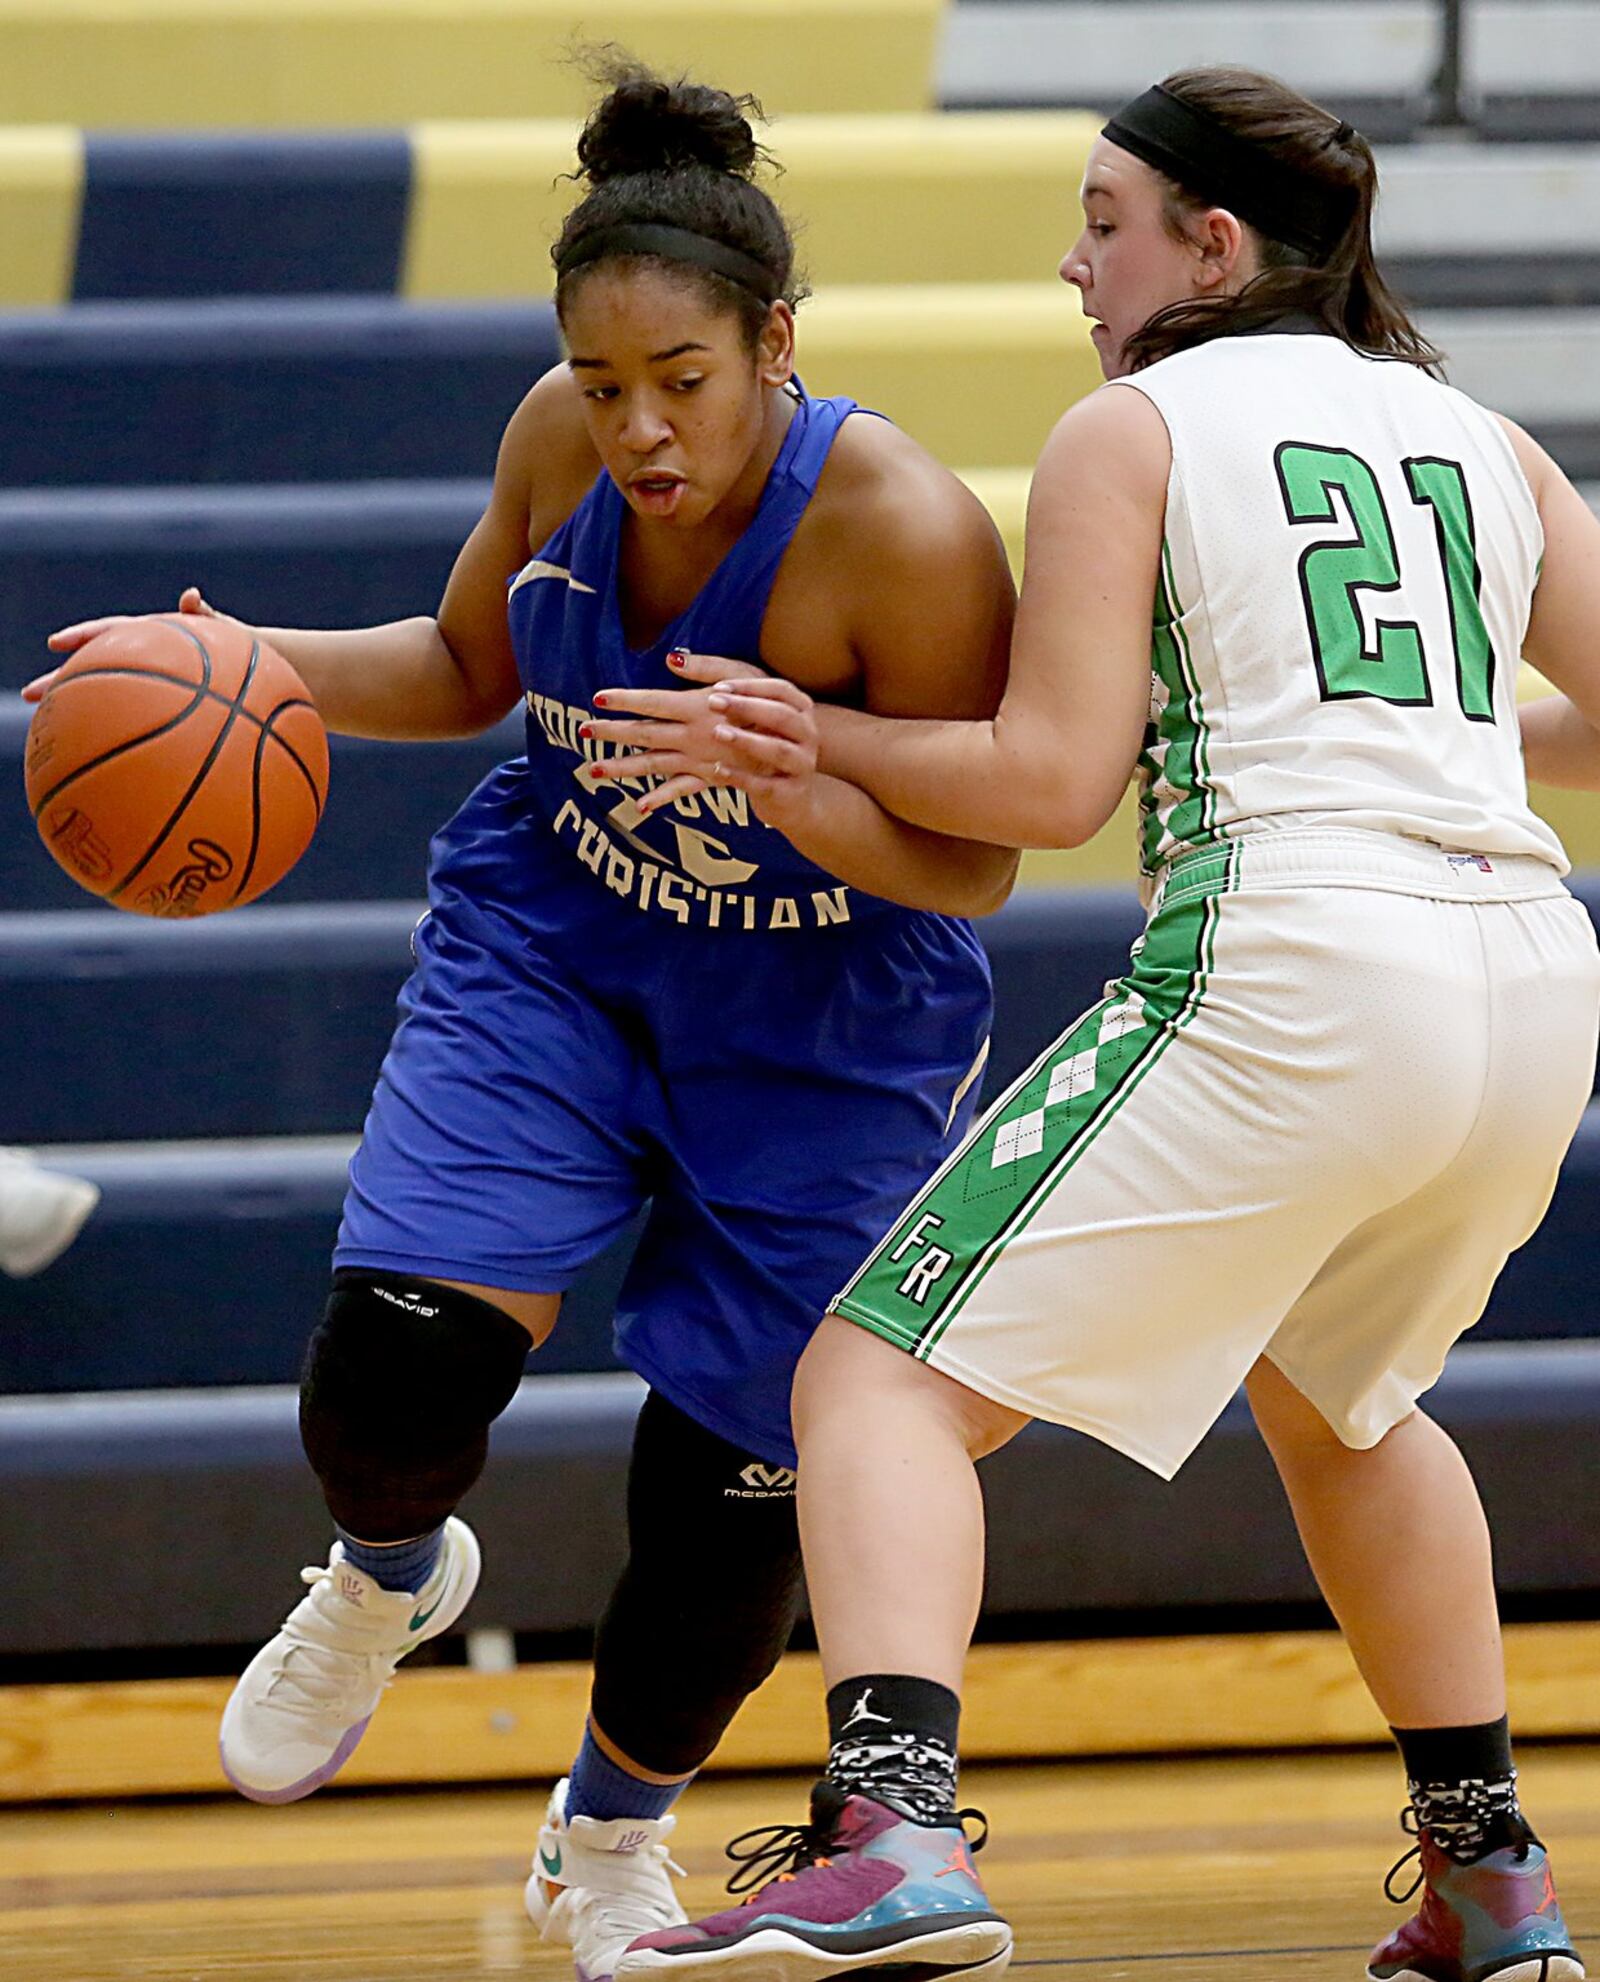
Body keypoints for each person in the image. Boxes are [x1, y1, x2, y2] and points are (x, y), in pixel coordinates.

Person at [598, 67, 1600, 1982]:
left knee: (872, 1378)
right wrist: (1443, 752)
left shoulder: (1133, 422)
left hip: (1302, 961)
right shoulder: (1476, 432)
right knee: (1349, 1400)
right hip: (1530, 973)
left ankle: (888, 1830)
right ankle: (1491, 1874)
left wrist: (810, 740)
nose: (1074, 265)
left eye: (1105, 220)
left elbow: (1051, 783)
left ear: (1211, 247)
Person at [29, 62, 1016, 1982]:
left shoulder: (900, 530)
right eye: (602, 380)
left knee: (735, 1489)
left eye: (684, 382)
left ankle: (611, 1835)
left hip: (824, 1012)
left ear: (778, 347)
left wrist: (792, 773)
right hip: (562, 939)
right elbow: (476, 664)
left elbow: (977, 861)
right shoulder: (558, 446)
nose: (638, 426)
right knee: (389, 1377)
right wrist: (246, 664)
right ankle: (389, 1575)